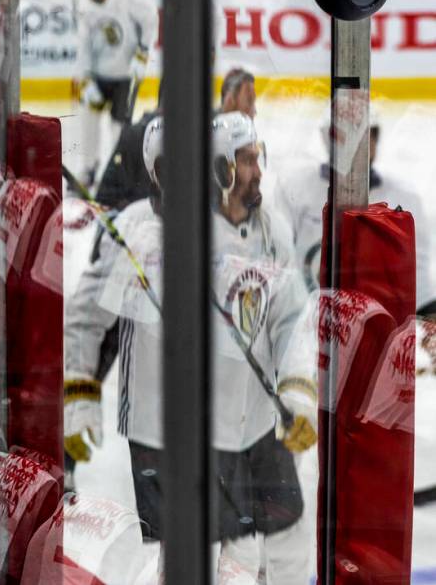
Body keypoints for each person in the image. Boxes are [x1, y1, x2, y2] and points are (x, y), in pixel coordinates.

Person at [64, 112, 316, 582]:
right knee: (190, 555)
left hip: (245, 422)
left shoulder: (262, 230)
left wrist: (298, 393)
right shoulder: (137, 231)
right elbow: (85, 318)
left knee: (248, 556)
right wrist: (79, 396)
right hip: (164, 431)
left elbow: (291, 320)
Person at [274, 114, 434, 314]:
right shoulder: (296, 189)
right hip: (310, 321)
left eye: (371, 134)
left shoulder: (404, 198)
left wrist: (427, 314)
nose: (368, 142)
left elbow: (416, 278)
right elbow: (280, 264)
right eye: (355, 134)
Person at [73, 0, 158, 189]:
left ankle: (117, 172)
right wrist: (86, 78)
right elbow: (84, 45)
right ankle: (89, 168)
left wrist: (142, 51)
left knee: (119, 127)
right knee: (88, 118)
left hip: (126, 75)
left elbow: (150, 18)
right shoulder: (83, 6)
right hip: (100, 75)